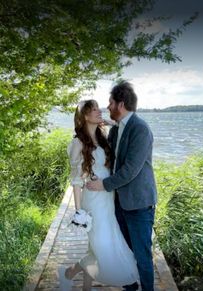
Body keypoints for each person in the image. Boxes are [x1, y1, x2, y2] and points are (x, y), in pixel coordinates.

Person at [86, 81, 157, 291]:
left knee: (142, 255)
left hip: (139, 204)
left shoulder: (141, 129)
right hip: (119, 203)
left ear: (121, 104)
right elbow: (110, 157)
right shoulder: (117, 130)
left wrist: (103, 185)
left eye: (110, 102)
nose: (107, 106)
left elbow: (130, 170)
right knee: (125, 252)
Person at [65, 100, 139, 291]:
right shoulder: (77, 143)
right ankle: (70, 273)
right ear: (84, 116)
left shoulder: (103, 137)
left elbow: (123, 135)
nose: (100, 111)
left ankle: (72, 277)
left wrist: (112, 123)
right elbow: (76, 180)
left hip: (109, 198)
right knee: (102, 246)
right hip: (93, 202)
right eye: (94, 109)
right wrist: (79, 211)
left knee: (94, 248)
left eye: (99, 107)